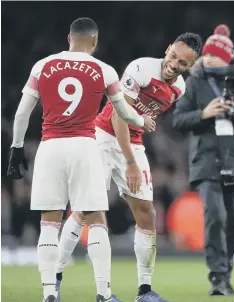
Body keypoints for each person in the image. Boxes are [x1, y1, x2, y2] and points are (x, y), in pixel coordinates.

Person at [6, 17, 155, 302]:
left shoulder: (44, 65)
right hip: (86, 147)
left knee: (49, 221)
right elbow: (123, 111)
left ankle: (49, 293)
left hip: (50, 147)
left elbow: (23, 112)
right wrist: (142, 120)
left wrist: (16, 147)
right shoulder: (104, 70)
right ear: (95, 41)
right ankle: (103, 292)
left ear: (68, 39)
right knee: (96, 218)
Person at [54, 32, 203, 302]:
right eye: (173, 56)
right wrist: (131, 163)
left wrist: (135, 152)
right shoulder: (141, 69)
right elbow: (121, 117)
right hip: (102, 136)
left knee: (147, 212)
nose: (174, 64)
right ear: (167, 48)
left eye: (182, 62)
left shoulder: (180, 88)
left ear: (190, 67)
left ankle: (144, 291)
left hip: (133, 142)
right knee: (86, 209)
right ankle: (55, 276)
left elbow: (144, 118)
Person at [172, 29, 234, 296]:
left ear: (228, 59)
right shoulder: (194, 82)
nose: (211, 59)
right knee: (215, 215)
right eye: (208, 54)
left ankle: (226, 271)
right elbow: (178, 120)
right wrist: (204, 113)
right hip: (205, 161)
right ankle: (217, 277)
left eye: (217, 55)